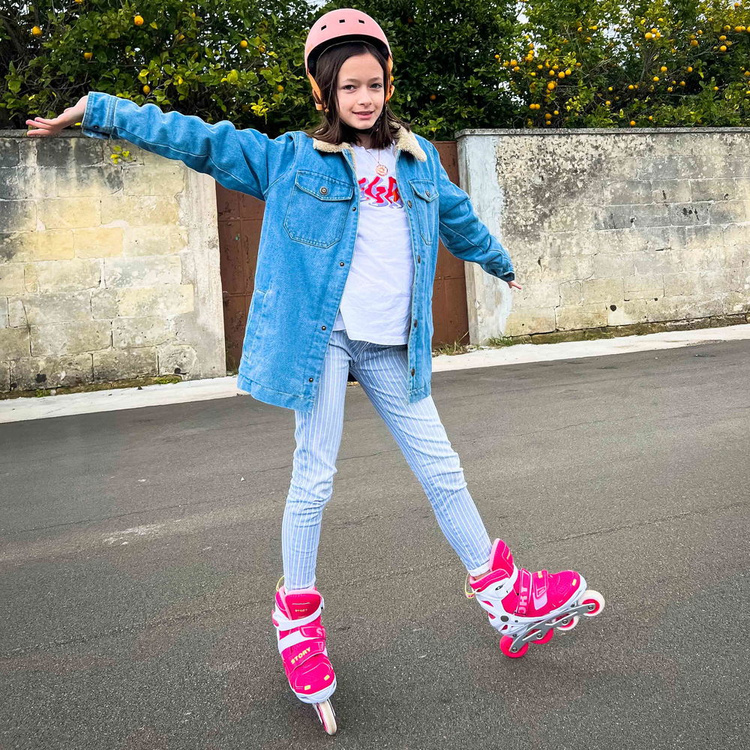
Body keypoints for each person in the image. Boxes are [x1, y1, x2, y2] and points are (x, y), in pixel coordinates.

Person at [25, 8, 603, 735]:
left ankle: (501, 592)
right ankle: (297, 616)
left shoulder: (419, 161)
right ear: (324, 91)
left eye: (374, 85)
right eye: (349, 87)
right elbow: (197, 139)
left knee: (443, 468)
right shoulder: (291, 159)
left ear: (388, 85)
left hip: (391, 346)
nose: (364, 98)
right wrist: (99, 110)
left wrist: (498, 261)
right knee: (315, 476)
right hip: (323, 341)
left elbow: (458, 221)